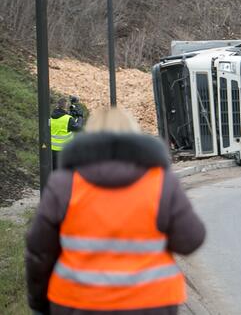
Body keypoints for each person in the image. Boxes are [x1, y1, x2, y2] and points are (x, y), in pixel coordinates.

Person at [26, 107, 206, 315]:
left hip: (78, 302)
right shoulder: (161, 182)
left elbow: (39, 253)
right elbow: (191, 240)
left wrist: (39, 303)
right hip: (152, 302)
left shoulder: (63, 185)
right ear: (133, 136)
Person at [49, 97, 84, 170]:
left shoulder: (51, 117)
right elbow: (78, 128)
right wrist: (80, 117)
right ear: (66, 107)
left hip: (52, 150)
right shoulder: (68, 119)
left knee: (55, 171)